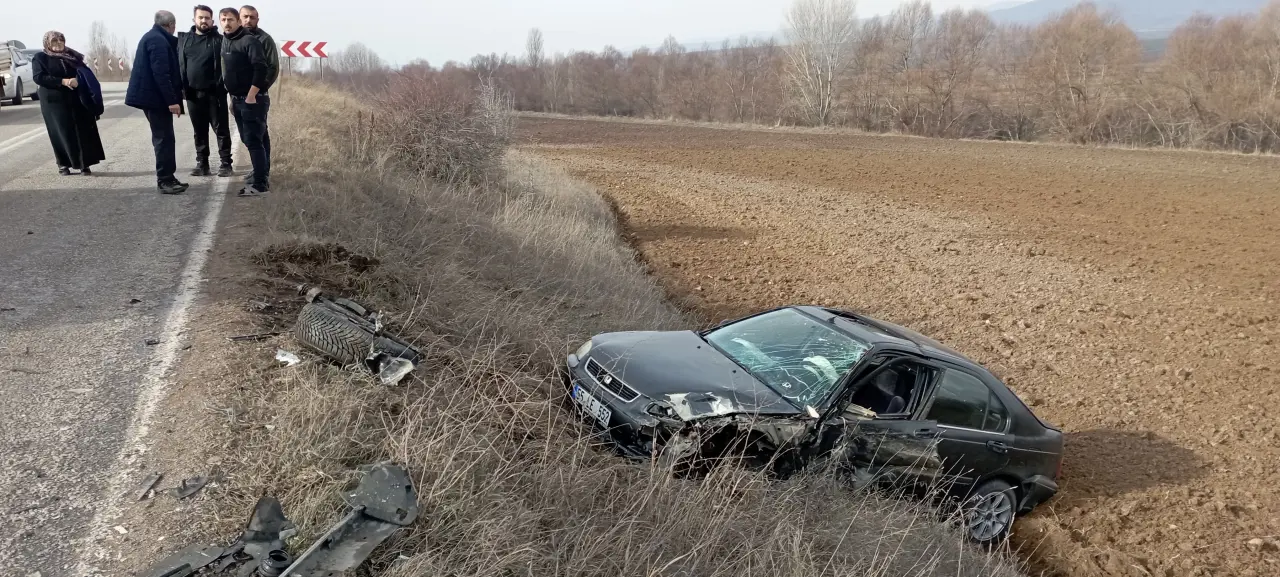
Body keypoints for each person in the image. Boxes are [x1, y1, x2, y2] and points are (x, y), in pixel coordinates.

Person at [125, 10, 189, 195]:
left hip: (154, 98)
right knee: (163, 139)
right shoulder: (158, 41)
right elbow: (161, 73)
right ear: (171, 25)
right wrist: (172, 101)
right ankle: (165, 180)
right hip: (155, 99)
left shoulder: (153, 37)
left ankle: (169, 176)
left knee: (166, 138)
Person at [31, 31, 106, 176]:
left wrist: (80, 81)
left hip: (77, 98)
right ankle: (63, 164)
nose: (58, 44)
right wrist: (63, 81)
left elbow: (85, 74)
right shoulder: (40, 58)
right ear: (47, 43)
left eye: (61, 41)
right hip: (54, 102)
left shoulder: (73, 57)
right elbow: (39, 77)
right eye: (54, 41)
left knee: (82, 131)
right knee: (61, 132)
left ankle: (84, 164)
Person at [219, 6, 271, 196]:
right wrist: (233, 99)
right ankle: (260, 178)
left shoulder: (249, 41)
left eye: (230, 19)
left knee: (254, 141)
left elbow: (261, 69)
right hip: (238, 100)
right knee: (249, 140)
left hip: (253, 100)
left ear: (238, 22)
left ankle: (260, 185)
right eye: (223, 20)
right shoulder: (226, 41)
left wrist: (250, 96)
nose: (227, 23)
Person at [177, 5, 233, 177]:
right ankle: (202, 164)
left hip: (215, 94)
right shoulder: (184, 40)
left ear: (212, 20)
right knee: (199, 131)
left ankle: (225, 164)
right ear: (194, 19)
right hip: (193, 94)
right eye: (200, 17)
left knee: (221, 130)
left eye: (207, 18)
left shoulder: (220, 40)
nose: (203, 21)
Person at [240, 4, 277, 189]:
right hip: (239, 97)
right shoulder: (233, 39)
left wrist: (257, 91)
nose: (248, 20)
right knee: (249, 135)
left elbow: (272, 68)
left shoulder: (265, 39)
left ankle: (263, 173)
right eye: (245, 16)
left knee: (260, 134)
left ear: (257, 19)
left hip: (257, 97)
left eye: (252, 17)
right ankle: (258, 169)